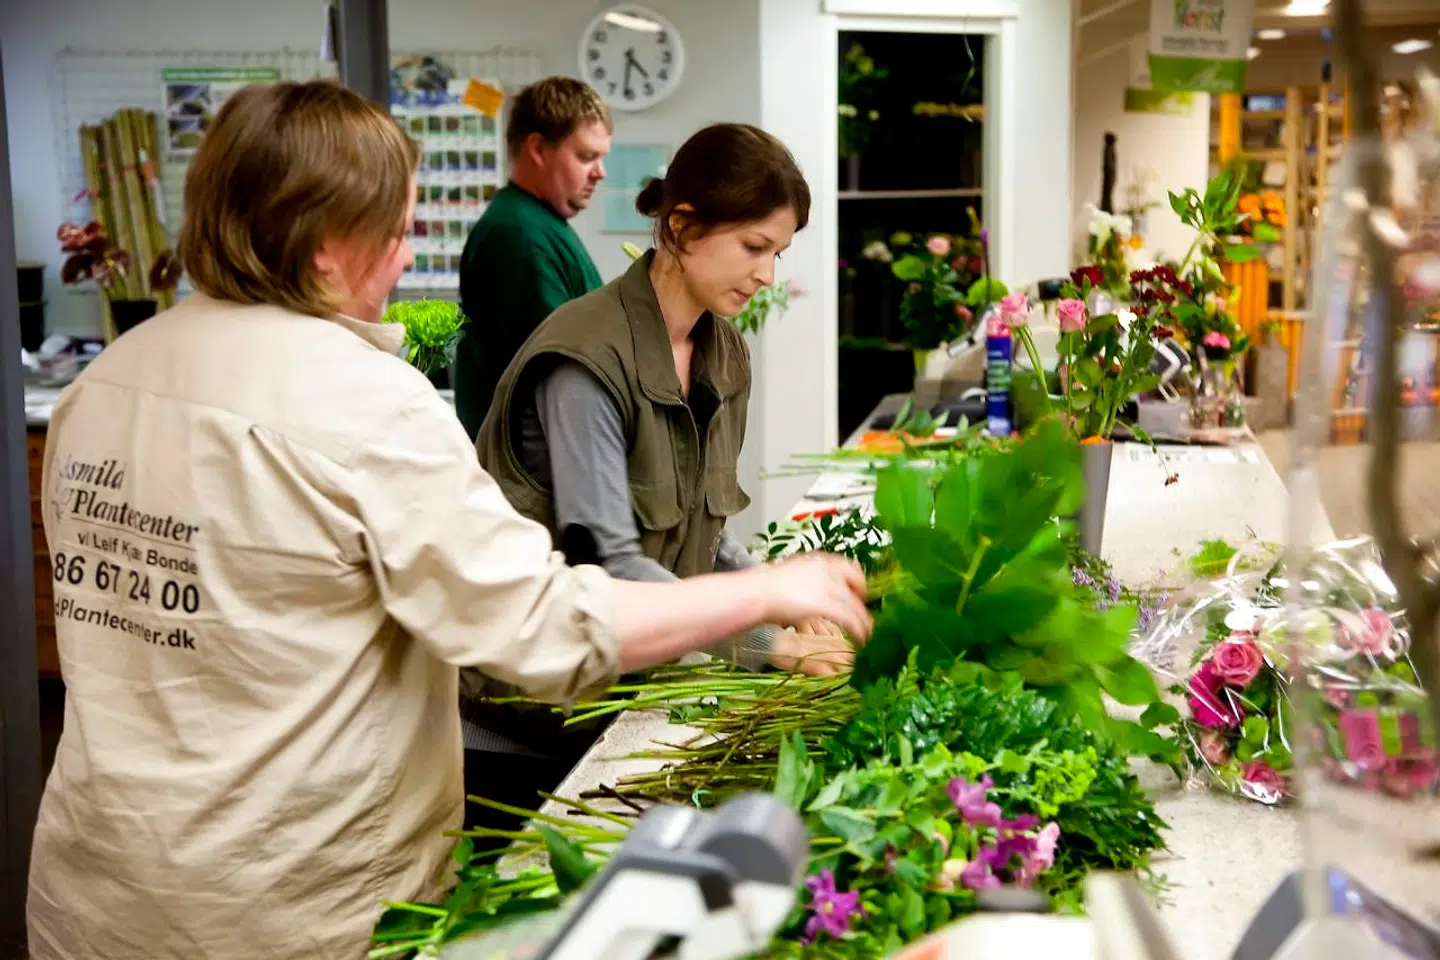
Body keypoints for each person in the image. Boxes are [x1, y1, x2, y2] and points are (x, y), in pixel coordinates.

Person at [25, 80, 871, 960]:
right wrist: (767, 600)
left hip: (96, 891)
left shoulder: (108, 380)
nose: (403, 260)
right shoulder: (365, 404)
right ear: (325, 249)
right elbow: (546, 627)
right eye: (395, 234)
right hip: (282, 910)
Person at [466, 124, 854, 812]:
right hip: (540, 702)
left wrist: (789, 599)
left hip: (638, 678)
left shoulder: (722, 352)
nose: (768, 274)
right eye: (754, 248)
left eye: (779, 253)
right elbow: (610, 568)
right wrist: (767, 638)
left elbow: (705, 532)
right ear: (681, 226)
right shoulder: (584, 360)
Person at [453, 77, 610, 440]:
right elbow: (562, 374)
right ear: (538, 148)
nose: (600, 172)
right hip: (533, 473)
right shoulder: (522, 236)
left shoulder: (538, 223)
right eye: (586, 156)